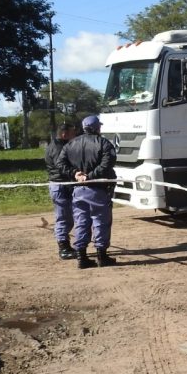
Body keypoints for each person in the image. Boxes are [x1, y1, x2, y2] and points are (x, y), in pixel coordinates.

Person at [56, 115, 118, 269]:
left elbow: (60, 163)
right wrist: (90, 176)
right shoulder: (104, 143)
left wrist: (75, 174)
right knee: (100, 221)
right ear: (97, 128)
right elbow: (107, 164)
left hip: (78, 190)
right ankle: (102, 256)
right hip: (98, 189)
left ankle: (82, 257)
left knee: (81, 222)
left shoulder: (71, 144)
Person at [45, 122, 78, 260]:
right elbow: (61, 166)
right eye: (72, 133)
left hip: (62, 185)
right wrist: (76, 173)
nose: (74, 135)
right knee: (63, 218)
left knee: (67, 218)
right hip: (60, 185)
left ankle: (66, 246)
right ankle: (63, 248)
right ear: (64, 134)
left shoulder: (59, 145)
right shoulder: (58, 148)